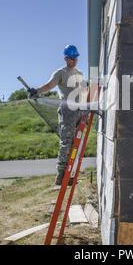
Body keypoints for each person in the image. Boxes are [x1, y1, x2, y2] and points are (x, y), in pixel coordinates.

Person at [28, 45, 85, 186]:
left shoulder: (79, 73)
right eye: (72, 58)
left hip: (78, 111)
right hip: (67, 111)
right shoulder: (60, 73)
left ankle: (69, 174)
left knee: (74, 144)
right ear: (66, 58)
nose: (75, 60)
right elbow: (49, 85)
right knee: (66, 142)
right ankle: (60, 175)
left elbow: (83, 92)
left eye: (76, 57)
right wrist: (37, 91)